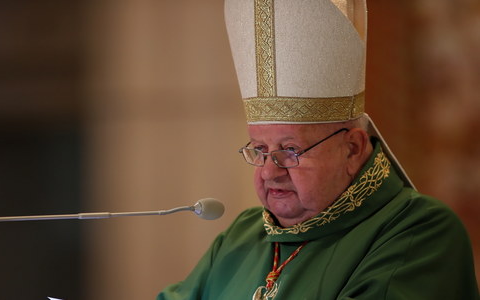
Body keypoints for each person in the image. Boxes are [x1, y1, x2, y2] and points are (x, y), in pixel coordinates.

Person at [157, 0, 479, 299]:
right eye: (259, 149)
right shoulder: (242, 235)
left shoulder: (423, 236)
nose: (269, 171)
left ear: (352, 148)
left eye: (290, 150)